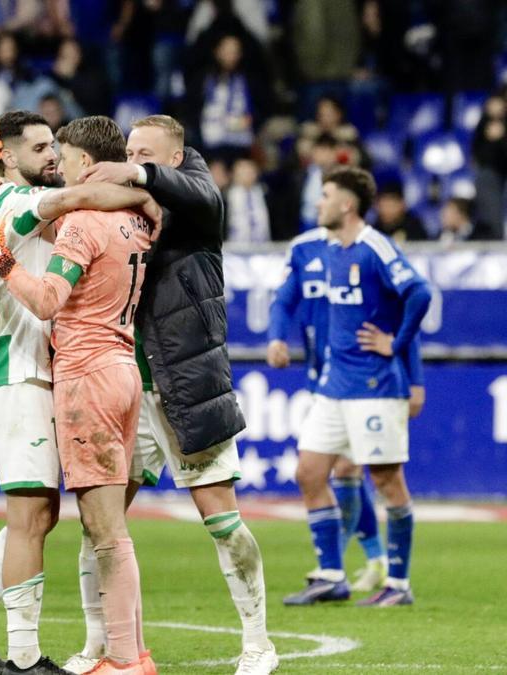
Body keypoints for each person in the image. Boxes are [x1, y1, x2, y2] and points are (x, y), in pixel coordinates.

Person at [0, 112, 159, 675]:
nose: (53, 158)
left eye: (54, 147)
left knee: (35, 515)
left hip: (40, 374)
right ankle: (24, 657)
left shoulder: (16, 203)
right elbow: (66, 202)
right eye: (40, 148)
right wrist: (142, 190)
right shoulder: (14, 205)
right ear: (9, 158)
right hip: (18, 376)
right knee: (31, 516)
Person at [60, 115, 277, 675]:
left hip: (183, 385)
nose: (130, 159)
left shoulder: (198, 200)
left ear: (171, 159)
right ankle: (98, 646)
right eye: (127, 149)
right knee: (98, 522)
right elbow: (66, 193)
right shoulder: (121, 207)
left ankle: (257, 642)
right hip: (122, 384)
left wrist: (137, 172)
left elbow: (193, 192)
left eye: (144, 153)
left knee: (221, 522)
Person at [283, 167, 431, 608]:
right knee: (309, 472)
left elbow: (420, 293)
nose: (318, 203)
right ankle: (331, 574)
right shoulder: (330, 249)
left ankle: (399, 584)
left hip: (374, 386)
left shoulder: (374, 247)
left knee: (387, 481)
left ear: (346, 204)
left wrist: (396, 343)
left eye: (325, 195)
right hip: (333, 386)